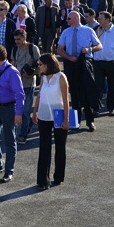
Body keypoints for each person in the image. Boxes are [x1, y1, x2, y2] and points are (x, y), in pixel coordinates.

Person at [56, 10, 102, 130]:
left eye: (69, 19)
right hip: (71, 63)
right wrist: (69, 57)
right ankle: (75, 121)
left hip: (85, 62)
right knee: (74, 92)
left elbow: (99, 45)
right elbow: (60, 49)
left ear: (76, 19)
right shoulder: (66, 32)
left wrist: (89, 49)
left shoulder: (88, 30)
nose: (67, 21)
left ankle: (89, 121)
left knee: (86, 90)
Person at [0, 45, 25, 183]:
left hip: (9, 109)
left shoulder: (12, 72)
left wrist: (18, 113)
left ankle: (9, 171)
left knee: (9, 140)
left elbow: (20, 94)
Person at [32, 54, 70, 189]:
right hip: (43, 115)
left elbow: (65, 100)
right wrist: (35, 111)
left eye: (41, 64)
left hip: (58, 115)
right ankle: (43, 180)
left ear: (48, 64)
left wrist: (66, 119)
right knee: (44, 147)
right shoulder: (43, 77)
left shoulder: (61, 77)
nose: (39, 66)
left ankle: (58, 177)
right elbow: (40, 94)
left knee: (60, 147)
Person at [10, 28, 40, 144]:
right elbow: (12, 65)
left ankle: (23, 135)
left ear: (25, 37)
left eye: (19, 39)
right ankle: (18, 131)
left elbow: (40, 66)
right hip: (16, 85)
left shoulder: (33, 49)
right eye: (15, 39)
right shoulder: (14, 49)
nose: (17, 41)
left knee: (26, 111)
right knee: (17, 110)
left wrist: (31, 73)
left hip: (29, 84)